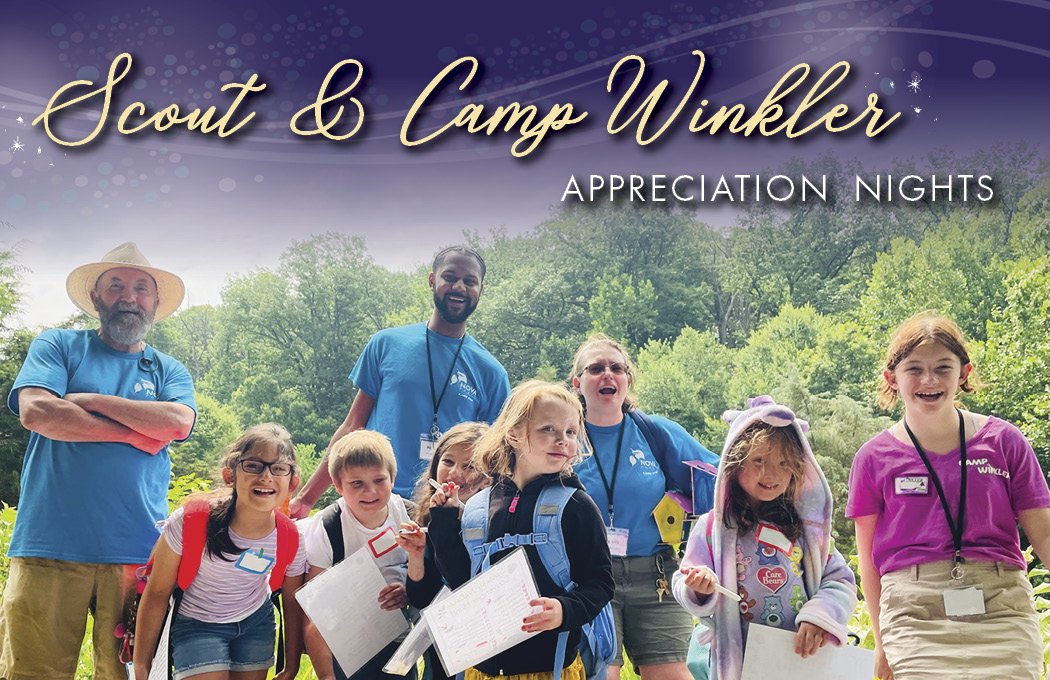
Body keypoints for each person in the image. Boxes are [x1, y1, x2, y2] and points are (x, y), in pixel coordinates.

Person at [0, 241, 197, 680]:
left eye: (141, 288)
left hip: (138, 552)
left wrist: (86, 399)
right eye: (116, 286)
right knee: (32, 672)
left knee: (129, 673)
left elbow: (178, 423)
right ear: (96, 297)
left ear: (155, 301)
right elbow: (38, 412)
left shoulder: (169, 371)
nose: (129, 296)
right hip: (48, 546)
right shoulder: (59, 345)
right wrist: (136, 432)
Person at [846, 312, 1050, 680]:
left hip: (1002, 605)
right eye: (914, 369)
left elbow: (1045, 537)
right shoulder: (872, 458)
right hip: (914, 613)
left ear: (964, 373)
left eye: (943, 367)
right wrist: (880, 644)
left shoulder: (1004, 442)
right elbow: (869, 562)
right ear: (892, 378)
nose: (929, 380)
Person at [289, 245, 511, 515]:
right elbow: (352, 426)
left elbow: (494, 459)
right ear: (432, 280)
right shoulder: (387, 344)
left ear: (481, 290)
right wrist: (306, 499)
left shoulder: (491, 371)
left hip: (445, 509)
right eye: (450, 277)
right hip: (374, 501)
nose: (459, 287)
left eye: (469, 281)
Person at [428, 380, 615, 680]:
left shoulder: (577, 506)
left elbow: (601, 583)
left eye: (570, 432)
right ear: (513, 434)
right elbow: (462, 581)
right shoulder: (479, 508)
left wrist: (564, 610)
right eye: (548, 429)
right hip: (483, 670)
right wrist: (445, 521)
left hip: (550, 669)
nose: (562, 441)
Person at [672, 396, 857, 680]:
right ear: (734, 463)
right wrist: (700, 586)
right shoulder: (712, 529)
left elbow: (840, 580)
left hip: (799, 657)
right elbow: (684, 579)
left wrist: (820, 616)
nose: (771, 473)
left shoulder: (807, 530)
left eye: (784, 463)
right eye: (758, 460)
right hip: (739, 661)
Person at [568, 334, 719, 680]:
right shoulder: (565, 436)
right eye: (595, 368)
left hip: (657, 577)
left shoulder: (655, 432)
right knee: (600, 674)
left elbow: (719, 480)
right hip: (588, 576)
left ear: (627, 380)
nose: (607, 374)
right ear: (578, 383)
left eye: (616, 368)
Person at [133, 423, 307, 680]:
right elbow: (158, 592)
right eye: (253, 465)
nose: (266, 476)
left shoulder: (291, 537)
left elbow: (292, 603)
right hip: (197, 624)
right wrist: (142, 666)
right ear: (230, 476)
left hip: (255, 625)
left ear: (292, 482)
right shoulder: (190, 522)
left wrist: (290, 666)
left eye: (278, 468)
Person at [302, 430, 415, 680]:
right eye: (357, 483)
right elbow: (314, 611)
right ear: (337, 484)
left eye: (379, 480)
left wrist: (409, 590)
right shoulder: (328, 526)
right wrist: (326, 676)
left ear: (393, 478)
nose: (370, 491)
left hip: (399, 640)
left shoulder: (407, 515)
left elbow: (428, 577)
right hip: (348, 646)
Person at [397, 422, 491, 680]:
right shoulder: (431, 517)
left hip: (485, 647)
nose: (454, 472)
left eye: (469, 465)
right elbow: (422, 598)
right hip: (441, 647)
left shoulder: (497, 521)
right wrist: (416, 556)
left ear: (489, 475)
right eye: (447, 461)